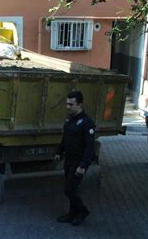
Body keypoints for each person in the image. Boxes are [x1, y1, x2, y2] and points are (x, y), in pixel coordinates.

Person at [54, 90, 95, 226]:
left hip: (79, 161)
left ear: (80, 105)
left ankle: (82, 211)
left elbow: (90, 147)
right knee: (72, 189)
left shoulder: (87, 123)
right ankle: (72, 214)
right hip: (69, 159)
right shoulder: (69, 119)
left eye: (71, 104)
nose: (68, 107)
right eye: (67, 104)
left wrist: (83, 166)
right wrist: (59, 152)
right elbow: (65, 138)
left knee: (69, 189)